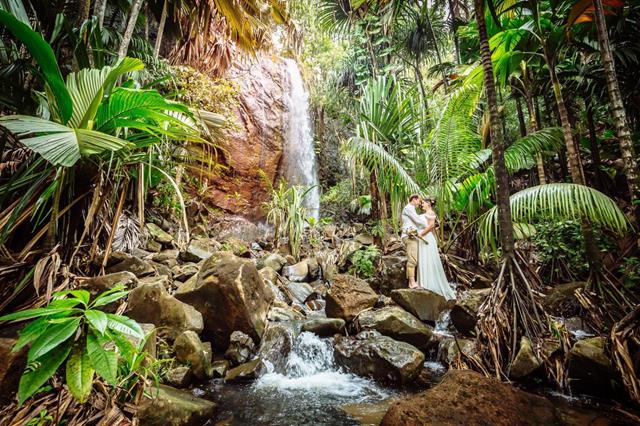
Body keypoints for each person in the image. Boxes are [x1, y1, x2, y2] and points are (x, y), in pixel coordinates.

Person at [416, 198, 456, 300]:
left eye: (423, 203)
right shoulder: (425, 213)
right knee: (423, 259)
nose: (422, 205)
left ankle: (430, 285)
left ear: (429, 204)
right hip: (421, 238)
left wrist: (421, 233)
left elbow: (431, 226)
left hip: (426, 237)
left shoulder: (431, 213)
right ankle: (423, 283)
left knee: (428, 259)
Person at [401, 194, 432, 289]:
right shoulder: (408, 208)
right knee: (412, 259)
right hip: (409, 236)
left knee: (414, 258)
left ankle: (413, 282)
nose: (420, 204)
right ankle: (411, 283)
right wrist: (429, 223)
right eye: (419, 201)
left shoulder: (412, 209)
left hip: (413, 236)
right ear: (414, 199)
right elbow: (418, 220)